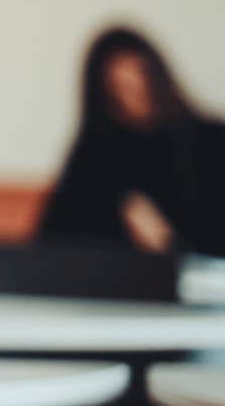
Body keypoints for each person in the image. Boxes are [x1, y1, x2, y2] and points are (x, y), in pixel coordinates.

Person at [39, 26, 225, 257]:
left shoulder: (209, 143)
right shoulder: (93, 157)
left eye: (140, 83)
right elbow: (52, 245)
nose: (135, 100)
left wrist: (170, 242)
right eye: (120, 90)